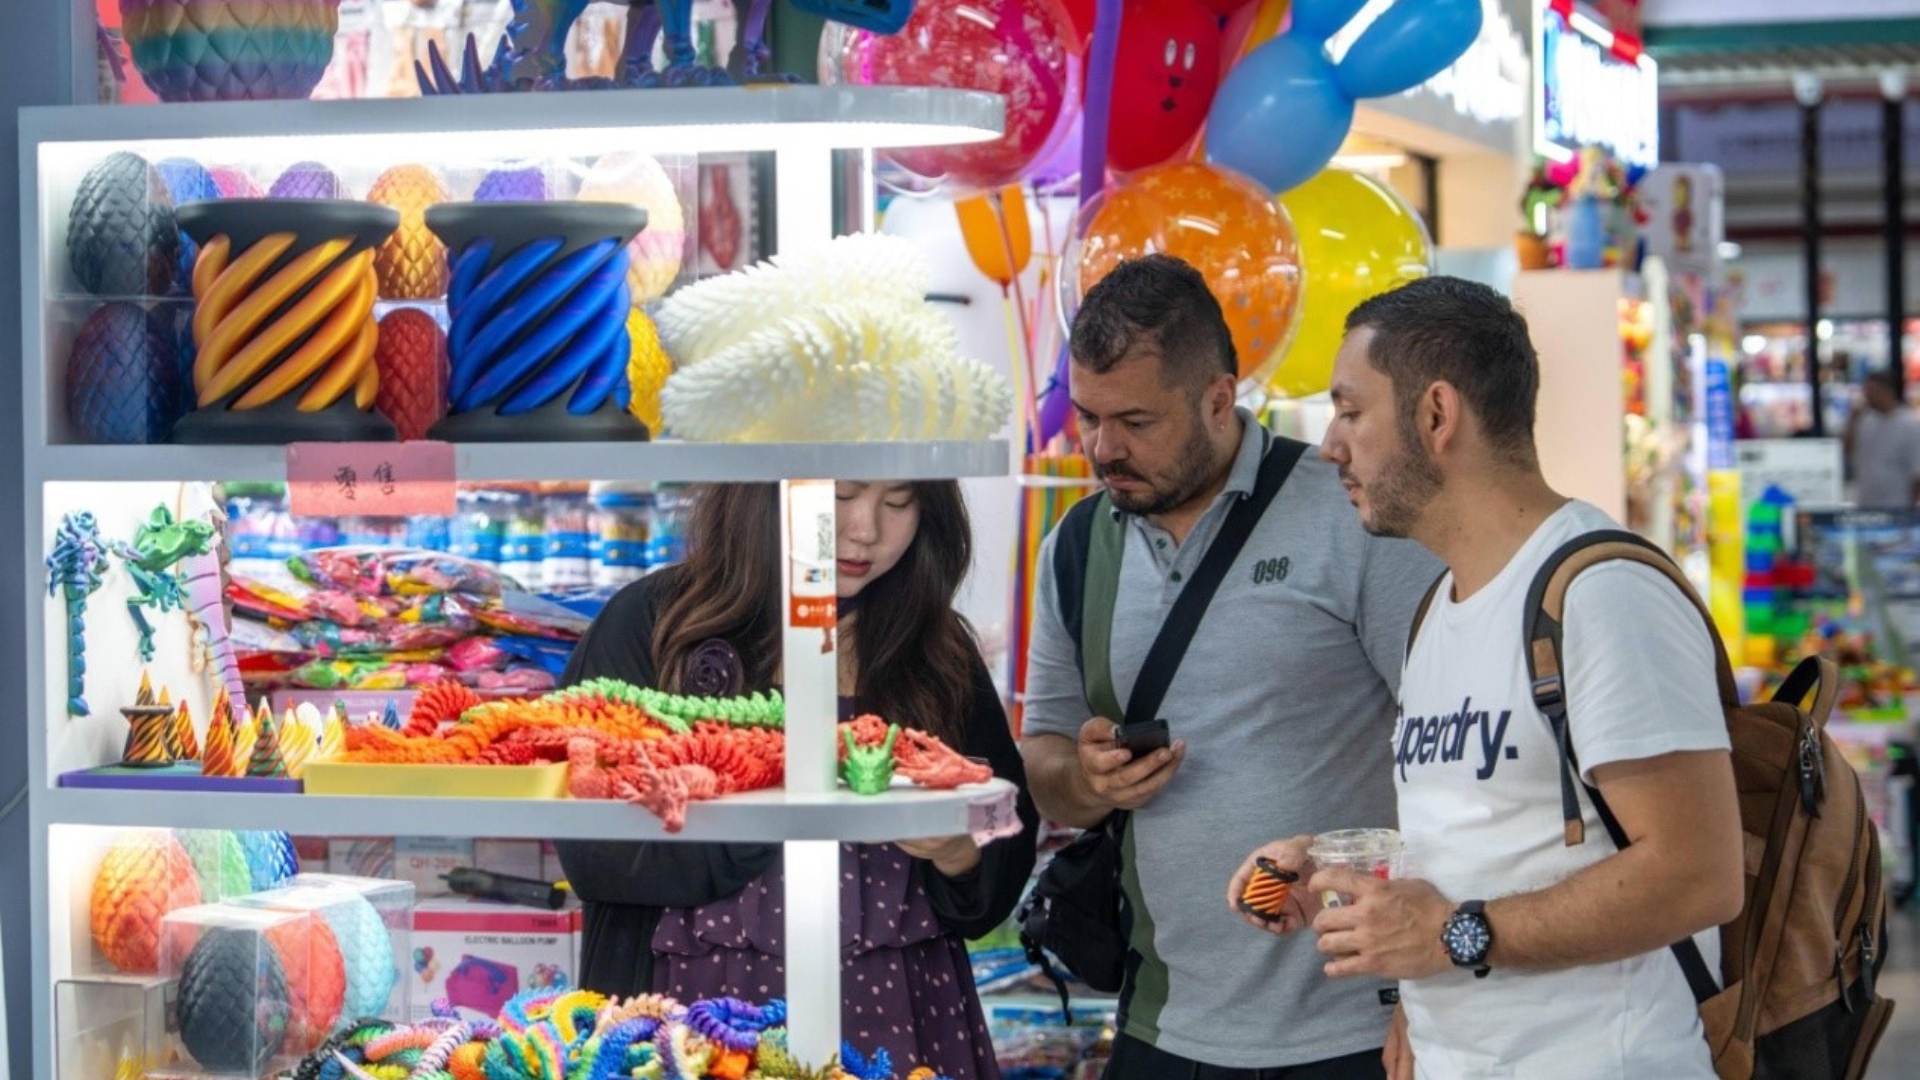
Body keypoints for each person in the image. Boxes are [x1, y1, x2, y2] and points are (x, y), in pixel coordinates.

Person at [1229, 276, 1744, 1079]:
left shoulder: (1601, 594)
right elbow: (1490, 825)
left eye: (1350, 410)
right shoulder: (1441, 603)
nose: (1331, 444)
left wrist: (1451, 936)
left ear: (1436, 415)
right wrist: (1337, 868)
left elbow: (1699, 874)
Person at [1020, 254, 1440, 1079]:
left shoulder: (1351, 516)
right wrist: (1090, 779)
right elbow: (1044, 757)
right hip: (1159, 1021)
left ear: (1220, 397)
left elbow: (1447, 758)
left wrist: (1435, 990)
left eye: (1135, 421)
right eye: (1089, 417)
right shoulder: (1074, 547)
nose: (1104, 448)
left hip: (1352, 1025)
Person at [555, 481, 1038, 1079]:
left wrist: (960, 853)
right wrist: (767, 813)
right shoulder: (655, 625)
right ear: (767, 486)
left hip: (902, 1016)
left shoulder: (937, 650)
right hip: (679, 1025)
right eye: (842, 496)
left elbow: (1008, 832)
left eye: (899, 502)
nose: (865, 530)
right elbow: (592, 844)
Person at [1844, 371, 1920, 507]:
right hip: (1866, 502)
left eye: (1871, 391)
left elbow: (1916, 471)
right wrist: (1852, 421)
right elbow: (1847, 450)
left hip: (1897, 504)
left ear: (1886, 391)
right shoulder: (1865, 421)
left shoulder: (1909, 424)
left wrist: (1911, 506)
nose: (1867, 396)